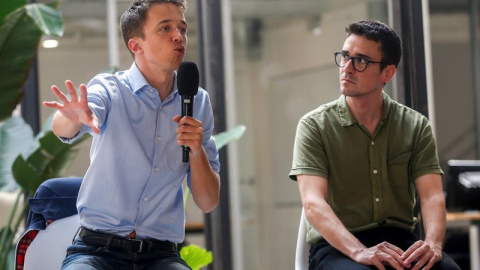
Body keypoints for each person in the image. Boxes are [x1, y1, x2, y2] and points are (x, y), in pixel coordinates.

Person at [43, 0, 220, 269]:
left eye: (182, 28)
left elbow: (208, 201)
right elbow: (64, 125)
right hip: (97, 251)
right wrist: (72, 116)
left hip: (159, 256)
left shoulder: (198, 101)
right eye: (165, 28)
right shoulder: (110, 89)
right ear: (136, 45)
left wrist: (197, 151)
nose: (178, 36)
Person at [289, 20, 460, 270]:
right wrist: (359, 250)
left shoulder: (415, 125)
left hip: (400, 240)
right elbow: (313, 204)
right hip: (338, 246)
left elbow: (432, 195)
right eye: (344, 56)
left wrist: (433, 244)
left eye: (360, 61)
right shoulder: (315, 126)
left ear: (387, 73)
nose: (346, 68)